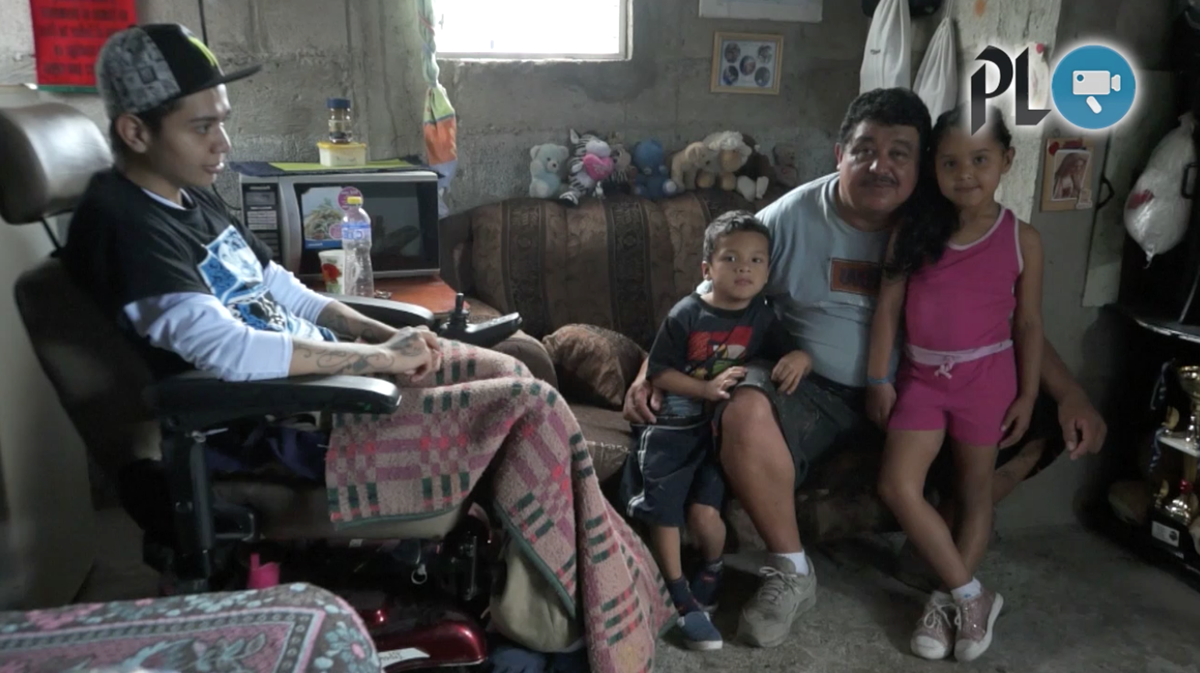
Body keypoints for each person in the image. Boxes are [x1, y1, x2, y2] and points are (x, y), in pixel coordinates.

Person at [622, 87, 1108, 649]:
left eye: (901, 152)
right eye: (865, 150)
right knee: (742, 407)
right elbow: (706, 298)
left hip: (919, 391)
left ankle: (936, 558)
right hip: (809, 388)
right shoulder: (789, 218)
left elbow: (1006, 322)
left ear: (922, 162)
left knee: (1032, 415)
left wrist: (1071, 393)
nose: (882, 166)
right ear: (838, 154)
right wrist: (646, 370)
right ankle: (791, 571)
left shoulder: (944, 223)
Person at [869, 106, 1033, 662]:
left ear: (1007, 161)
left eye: (980, 160)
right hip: (920, 377)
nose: (965, 173)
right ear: (934, 169)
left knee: (972, 493)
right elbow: (887, 309)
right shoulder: (913, 233)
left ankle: (943, 601)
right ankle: (972, 594)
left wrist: (1030, 394)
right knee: (898, 485)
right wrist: (878, 377)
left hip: (988, 379)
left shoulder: (1022, 240)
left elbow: (1028, 324)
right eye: (950, 162)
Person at [618, 211, 811, 651]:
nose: (744, 268)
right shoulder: (687, 314)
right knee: (664, 507)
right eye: (731, 258)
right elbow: (662, 372)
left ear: (768, 270)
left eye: (756, 260)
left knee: (707, 514)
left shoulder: (762, 316)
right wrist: (704, 388)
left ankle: (712, 569)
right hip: (673, 425)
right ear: (707, 269)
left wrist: (803, 359)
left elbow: (790, 350)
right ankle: (678, 594)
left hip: (716, 431)